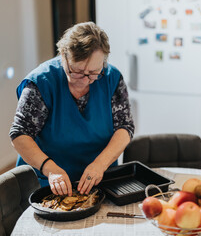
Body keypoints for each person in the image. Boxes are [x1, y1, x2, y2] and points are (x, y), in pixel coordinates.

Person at [9, 22, 134, 196]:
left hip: (99, 176)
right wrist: (51, 169)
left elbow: (125, 127)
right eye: (77, 71)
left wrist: (100, 164)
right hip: (47, 180)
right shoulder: (41, 83)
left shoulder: (111, 78)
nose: (85, 79)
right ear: (63, 56)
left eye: (93, 72)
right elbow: (20, 134)